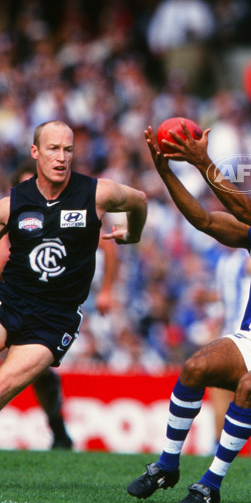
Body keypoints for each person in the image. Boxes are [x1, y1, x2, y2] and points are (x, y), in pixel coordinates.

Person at [127, 121, 251, 503]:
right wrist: (166, 172)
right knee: (193, 368)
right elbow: (203, 221)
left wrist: (204, 162)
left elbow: (247, 209)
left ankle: (210, 483)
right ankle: (167, 465)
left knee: (250, 388)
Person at [0, 120, 148, 413]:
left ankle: (58, 429)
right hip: (9, 302)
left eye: (68, 149)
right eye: (53, 149)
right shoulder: (11, 204)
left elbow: (139, 200)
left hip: (54, 318)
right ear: (35, 151)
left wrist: (133, 234)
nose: (61, 157)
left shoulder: (96, 194)